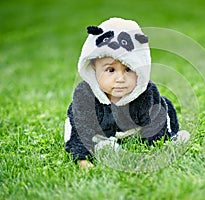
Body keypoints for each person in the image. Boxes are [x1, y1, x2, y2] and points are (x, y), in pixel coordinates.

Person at [64, 17, 190, 168]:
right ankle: (105, 146)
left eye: (128, 69)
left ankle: (173, 138)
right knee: (76, 122)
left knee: (164, 107)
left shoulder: (146, 94)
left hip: (134, 129)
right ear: (93, 68)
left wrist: (158, 145)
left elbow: (156, 120)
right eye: (110, 70)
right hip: (101, 132)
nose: (120, 78)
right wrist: (82, 158)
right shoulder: (85, 96)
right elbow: (80, 128)